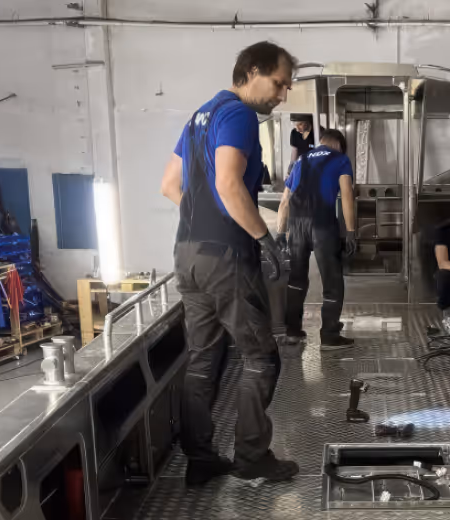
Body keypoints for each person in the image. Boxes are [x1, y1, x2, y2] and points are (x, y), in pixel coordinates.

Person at [160, 41, 298, 487]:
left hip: (187, 255)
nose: (282, 94)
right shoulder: (237, 114)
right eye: (278, 83)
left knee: (202, 360)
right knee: (262, 358)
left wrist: (204, 222)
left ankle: (201, 460)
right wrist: (264, 239)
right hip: (225, 260)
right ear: (252, 71)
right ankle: (252, 459)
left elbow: (169, 185)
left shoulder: (199, 115)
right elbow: (227, 182)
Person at [276, 129, 356, 350]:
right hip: (322, 224)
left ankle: (293, 332)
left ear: (321, 143)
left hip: (297, 226)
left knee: (296, 281)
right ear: (339, 145)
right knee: (332, 282)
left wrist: (281, 233)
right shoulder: (340, 159)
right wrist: (350, 230)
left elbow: (285, 201)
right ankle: (329, 335)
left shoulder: (300, 161)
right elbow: (347, 194)